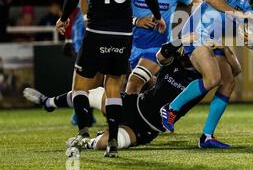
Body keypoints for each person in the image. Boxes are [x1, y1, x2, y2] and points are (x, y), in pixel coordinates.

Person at [56, 0, 166, 158]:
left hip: (96, 32)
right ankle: (113, 140)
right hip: (123, 34)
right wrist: (158, 17)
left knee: (79, 87)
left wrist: (63, 18)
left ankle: (84, 132)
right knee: (114, 87)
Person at [23, 38, 240, 150]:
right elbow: (161, 55)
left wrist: (227, 48)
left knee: (109, 142)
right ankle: (49, 101)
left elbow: (235, 72)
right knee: (90, 94)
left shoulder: (204, 80)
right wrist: (180, 42)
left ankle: (87, 142)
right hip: (131, 104)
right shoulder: (174, 62)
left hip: (146, 128)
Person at [160, 0, 253, 148]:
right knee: (213, 78)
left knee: (229, 82)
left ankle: (207, 137)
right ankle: (170, 108)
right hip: (195, 33)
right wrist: (240, 15)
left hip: (213, 39)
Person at [127, 0, 202, 94]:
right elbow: (117, 13)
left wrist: (190, 31)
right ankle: (169, 96)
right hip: (132, 47)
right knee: (149, 87)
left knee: (133, 83)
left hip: (157, 49)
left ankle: (127, 117)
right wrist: (136, 21)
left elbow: (199, 3)